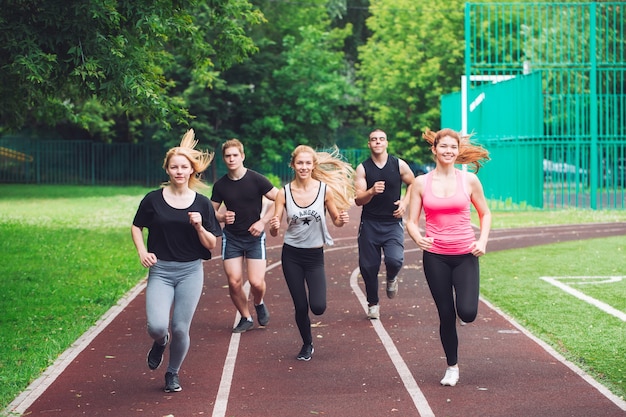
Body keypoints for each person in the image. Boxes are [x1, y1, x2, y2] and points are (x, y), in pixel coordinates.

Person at [131, 129, 222, 393]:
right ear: (167, 170)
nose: (179, 171)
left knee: (181, 329)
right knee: (157, 326)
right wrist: (141, 252)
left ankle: (172, 373)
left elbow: (211, 244)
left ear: (192, 171)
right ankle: (160, 342)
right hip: (160, 270)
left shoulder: (203, 204)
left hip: (190, 272)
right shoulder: (153, 200)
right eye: (174, 167)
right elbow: (137, 227)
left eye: (184, 167)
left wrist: (199, 227)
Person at [406, 128, 491, 387]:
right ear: (434, 149)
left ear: (458, 150)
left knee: (467, 313)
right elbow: (411, 220)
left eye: (452, 147)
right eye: (443, 147)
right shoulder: (421, 182)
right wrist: (417, 237)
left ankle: (462, 316)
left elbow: (485, 214)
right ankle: (452, 366)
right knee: (445, 314)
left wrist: (483, 241)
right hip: (436, 257)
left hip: (466, 253)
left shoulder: (469, 182)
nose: (448, 151)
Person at [269, 145, 354, 361]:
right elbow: (275, 226)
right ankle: (307, 344)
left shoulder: (324, 190)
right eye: (300, 163)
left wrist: (341, 220)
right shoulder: (284, 193)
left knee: (318, 307)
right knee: (300, 305)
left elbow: (335, 219)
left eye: (308, 163)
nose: (304, 167)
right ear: (293, 165)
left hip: (315, 256)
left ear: (313, 165)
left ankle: (309, 338)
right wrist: (274, 225)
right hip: (292, 255)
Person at [211, 139, 279, 333]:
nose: (231, 159)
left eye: (235, 155)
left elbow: (279, 198)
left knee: (256, 282)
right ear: (224, 159)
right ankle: (245, 316)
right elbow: (211, 212)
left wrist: (263, 221)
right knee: (234, 282)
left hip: (255, 238)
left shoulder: (256, 179)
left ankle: (258, 302)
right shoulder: (221, 185)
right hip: (231, 238)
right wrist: (222, 217)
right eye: (227, 156)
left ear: (242, 156)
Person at [354, 129, 415, 319]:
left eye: (381, 139)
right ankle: (373, 303)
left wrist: (404, 203)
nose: (378, 142)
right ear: (369, 144)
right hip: (370, 223)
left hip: (392, 222)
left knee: (394, 260)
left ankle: (391, 277)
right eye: (374, 140)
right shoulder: (363, 168)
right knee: (368, 267)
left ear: (386, 142)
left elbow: (413, 184)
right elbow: (358, 200)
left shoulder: (398, 164)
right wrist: (371, 191)